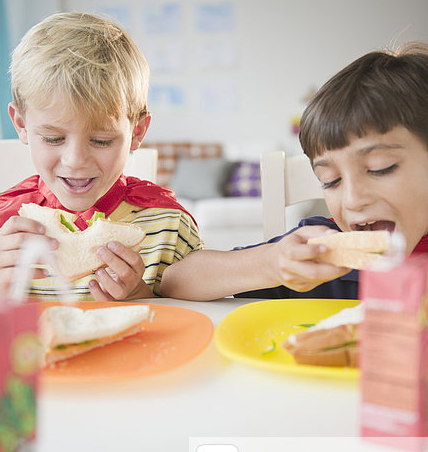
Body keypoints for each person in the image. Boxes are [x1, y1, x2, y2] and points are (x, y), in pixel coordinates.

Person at [160, 41, 428, 301]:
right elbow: (175, 281)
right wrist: (272, 263)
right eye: (331, 181)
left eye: (380, 168)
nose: (352, 199)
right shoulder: (316, 248)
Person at [0, 12, 203, 300]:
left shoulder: (168, 226)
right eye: (53, 138)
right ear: (21, 125)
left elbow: (192, 325)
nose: (75, 160)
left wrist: (140, 295)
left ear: (137, 132)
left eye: (101, 140)